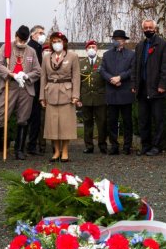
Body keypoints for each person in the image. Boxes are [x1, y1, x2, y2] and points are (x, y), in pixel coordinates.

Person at [0, 25, 41, 161]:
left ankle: (19, 150)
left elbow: (38, 71)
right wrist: (10, 74)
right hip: (9, 86)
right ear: (16, 36)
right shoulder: (6, 47)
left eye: (24, 41)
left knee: (23, 118)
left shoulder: (31, 51)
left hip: (25, 88)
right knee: (1, 115)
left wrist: (26, 76)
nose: (22, 43)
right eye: (20, 40)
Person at [132, 19, 166, 156]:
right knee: (143, 119)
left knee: (158, 119)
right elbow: (135, 67)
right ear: (143, 29)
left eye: (150, 27)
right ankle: (145, 146)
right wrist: (134, 85)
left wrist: (162, 84)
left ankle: (157, 146)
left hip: (157, 89)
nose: (148, 29)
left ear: (155, 29)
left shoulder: (163, 45)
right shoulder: (140, 46)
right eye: (146, 27)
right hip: (142, 89)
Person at [40, 31, 79, 163]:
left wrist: (75, 95)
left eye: (59, 41)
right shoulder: (46, 57)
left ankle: (65, 151)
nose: (57, 44)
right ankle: (56, 151)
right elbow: (43, 77)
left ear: (64, 43)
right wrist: (42, 97)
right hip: (50, 93)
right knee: (53, 125)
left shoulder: (72, 56)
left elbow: (76, 77)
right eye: (54, 41)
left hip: (66, 93)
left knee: (65, 124)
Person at [100, 29, 135, 155]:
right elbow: (102, 70)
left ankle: (127, 146)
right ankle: (114, 145)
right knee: (112, 121)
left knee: (127, 121)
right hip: (112, 91)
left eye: (120, 39)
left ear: (124, 41)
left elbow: (132, 70)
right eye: (116, 39)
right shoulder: (107, 55)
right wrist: (111, 79)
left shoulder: (131, 54)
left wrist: (120, 77)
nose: (118, 41)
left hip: (125, 91)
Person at [78, 40, 107, 154]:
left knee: (102, 122)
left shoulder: (103, 62)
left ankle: (102, 145)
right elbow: (78, 81)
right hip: (86, 97)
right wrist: (79, 98)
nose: (91, 49)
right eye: (89, 47)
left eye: (93, 47)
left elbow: (106, 80)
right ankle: (89, 145)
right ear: (86, 49)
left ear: (97, 49)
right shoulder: (81, 63)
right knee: (87, 122)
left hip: (100, 97)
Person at [25, 25, 46, 155]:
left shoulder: (39, 47)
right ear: (33, 34)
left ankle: (31, 146)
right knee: (28, 118)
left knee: (36, 119)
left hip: (37, 87)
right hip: (30, 86)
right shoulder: (30, 48)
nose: (42, 35)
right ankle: (26, 146)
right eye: (40, 33)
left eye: (43, 33)